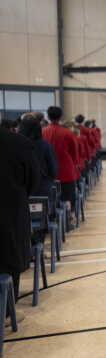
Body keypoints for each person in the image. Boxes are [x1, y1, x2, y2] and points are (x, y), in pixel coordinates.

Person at [1, 111, 40, 327]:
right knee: (8, 258)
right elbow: (33, 180)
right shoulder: (19, 143)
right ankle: (7, 313)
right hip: (9, 212)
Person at [18, 116, 58, 223]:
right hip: (43, 188)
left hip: (23, 190)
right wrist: (49, 180)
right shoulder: (45, 145)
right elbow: (53, 168)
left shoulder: (18, 146)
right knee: (44, 218)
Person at [43, 106, 80, 214]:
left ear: (47, 117)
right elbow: (75, 154)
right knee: (67, 198)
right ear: (61, 118)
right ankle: (67, 219)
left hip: (47, 172)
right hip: (66, 171)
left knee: (48, 198)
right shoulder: (69, 133)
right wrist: (72, 165)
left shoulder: (42, 132)